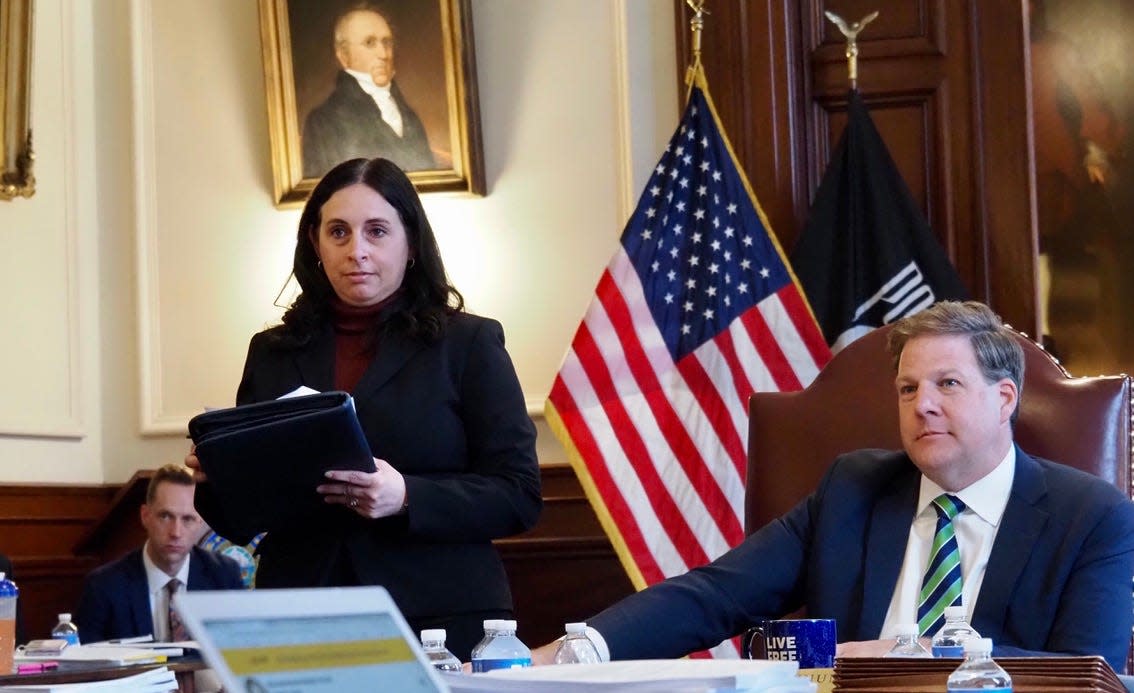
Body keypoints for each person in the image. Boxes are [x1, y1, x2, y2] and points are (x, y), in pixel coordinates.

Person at [532, 301, 1134, 672]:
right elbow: (715, 595)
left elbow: (1086, 674)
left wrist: (915, 657)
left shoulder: (1092, 516)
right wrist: (575, 652)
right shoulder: (854, 488)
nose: (922, 406)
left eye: (947, 384)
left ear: (1004, 398)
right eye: (907, 389)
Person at [188, 157, 541, 661]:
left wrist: (406, 496)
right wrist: (220, 476)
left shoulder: (469, 343)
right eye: (338, 232)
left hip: (437, 618)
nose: (357, 251)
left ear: (411, 242)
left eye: (377, 231)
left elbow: (519, 494)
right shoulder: (273, 351)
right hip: (300, 614)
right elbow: (242, 521)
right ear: (315, 243)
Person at [75, 464, 244, 643]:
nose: (176, 532)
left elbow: (244, 648)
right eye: (165, 516)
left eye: (187, 519)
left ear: (200, 522)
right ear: (145, 516)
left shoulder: (224, 576)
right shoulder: (105, 585)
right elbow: (86, 663)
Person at [302, 4, 435, 179]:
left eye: (387, 43)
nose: (383, 54)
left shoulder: (410, 117)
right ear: (343, 55)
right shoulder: (323, 121)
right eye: (370, 43)